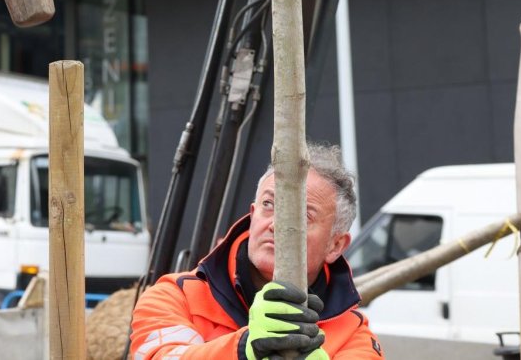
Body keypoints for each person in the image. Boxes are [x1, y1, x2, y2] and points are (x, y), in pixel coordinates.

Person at [130, 143, 384, 359]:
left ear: (335, 245)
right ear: (252, 215)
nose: (277, 225)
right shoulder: (175, 298)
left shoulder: (353, 335)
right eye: (269, 204)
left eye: (303, 215)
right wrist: (243, 349)